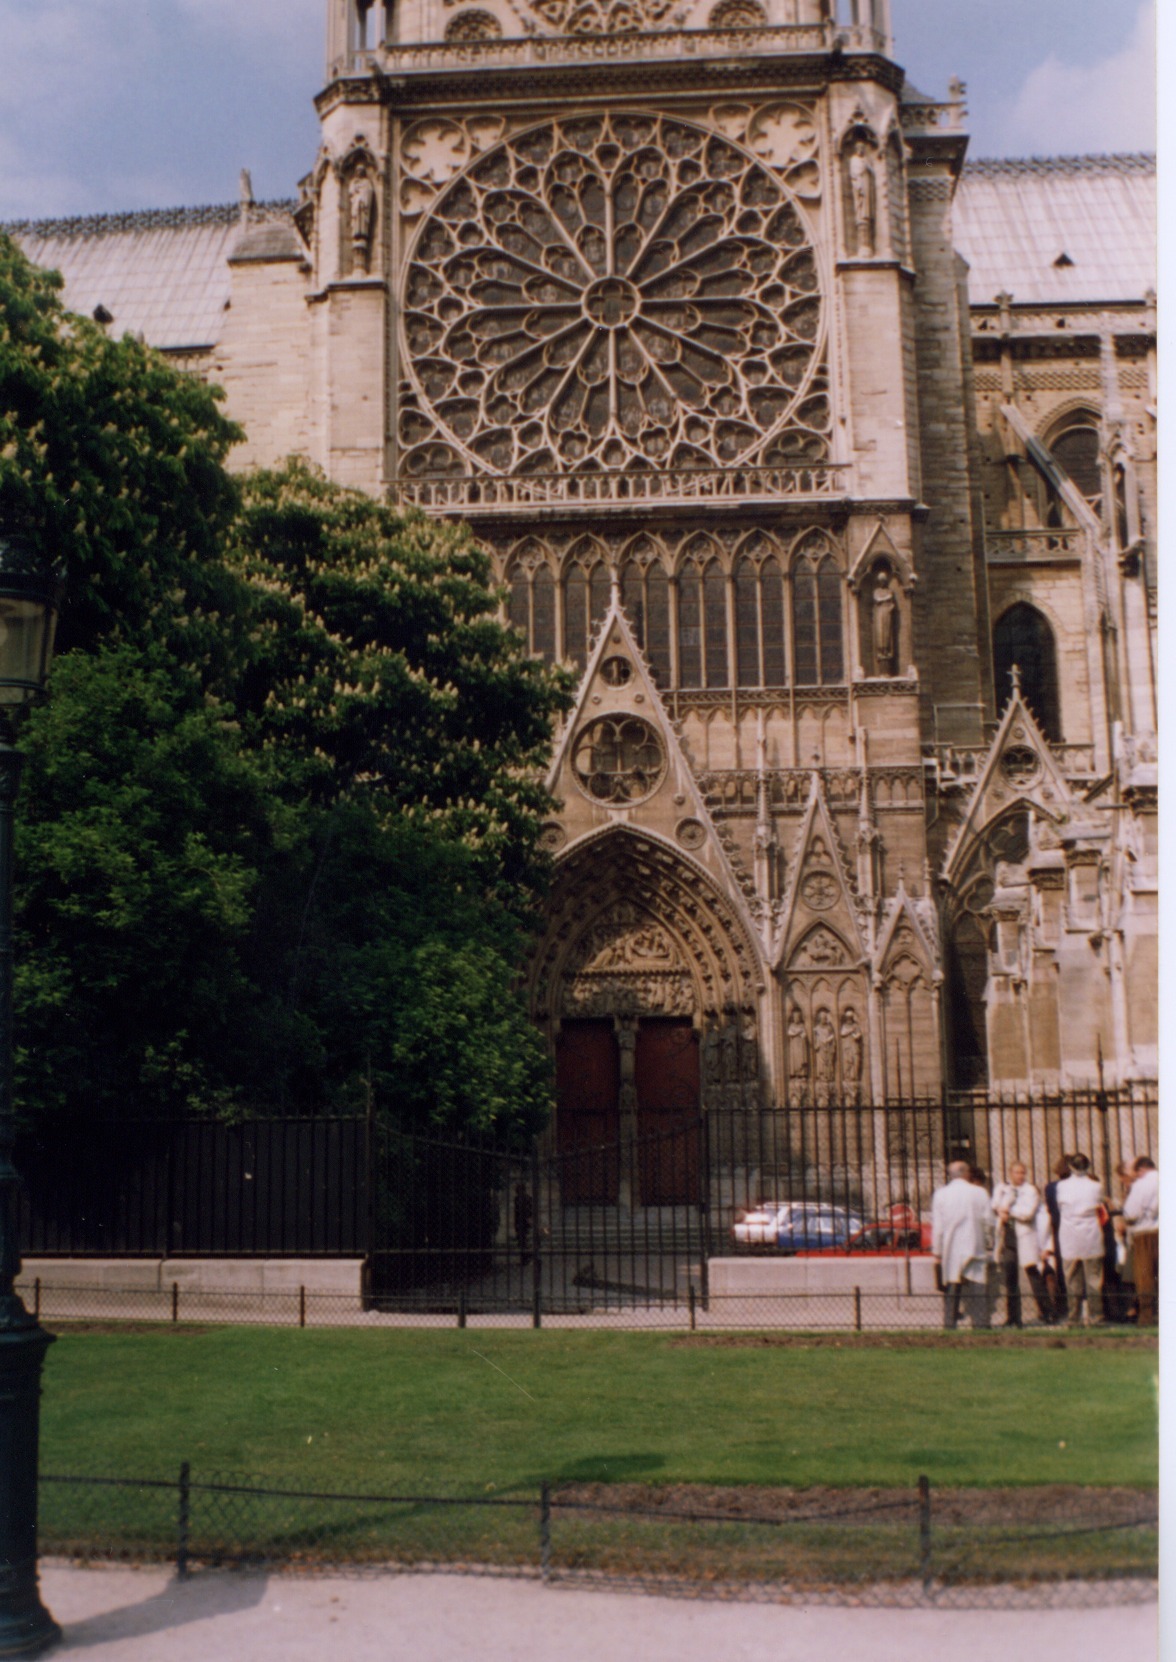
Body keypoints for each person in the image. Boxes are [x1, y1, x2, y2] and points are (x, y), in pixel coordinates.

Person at [931, 1160, 995, 1330]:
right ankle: (981, 1325)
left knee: (952, 1288)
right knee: (979, 1287)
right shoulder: (980, 1193)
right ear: (966, 1174)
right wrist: (989, 1243)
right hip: (975, 1244)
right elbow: (989, 1221)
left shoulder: (941, 1194)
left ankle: (949, 1324)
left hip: (951, 1248)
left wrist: (937, 1251)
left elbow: (938, 1227)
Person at [991, 1161, 1051, 1326]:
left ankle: (1047, 1312)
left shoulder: (1030, 1191)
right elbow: (995, 1204)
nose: (1020, 1175)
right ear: (1010, 1173)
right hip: (1009, 1236)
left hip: (1025, 1236)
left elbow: (1027, 1214)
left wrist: (1009, 1212)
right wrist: (1003, 1210)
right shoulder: (1004, 1188)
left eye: (1022, 1172)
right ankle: (1013, 1317)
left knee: (1033, 1273)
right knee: (1011, 1278)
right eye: (1017, 1172)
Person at [1054, 1153, 1105, 1325]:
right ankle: (1096, 1316)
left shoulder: (1062, 1186)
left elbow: (1060, 1207)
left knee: (1071, 1278)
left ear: (1070, 1167)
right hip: (1091, 1233)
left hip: (1070, 1234)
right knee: (1094, 1278)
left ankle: (1074, 1316)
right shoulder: (1096, 1186)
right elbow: (1098, 1205)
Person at [1121, 1155, 1158, 1326]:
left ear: (1141, 1170)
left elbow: (1131, 1213)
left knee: (1145, 1276)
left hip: (1145, 1233)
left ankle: (1146, 1316)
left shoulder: (1141, 1185)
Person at [1044, 1155, 1070, 1321]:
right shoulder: (1075, 1186)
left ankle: (1062, 1308)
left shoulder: (1051, 1187)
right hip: (1073, 1228)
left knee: (1061, 1269)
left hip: (1058, 1229)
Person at [513, 1182, 534, 1265]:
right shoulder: (527, 1198)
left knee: (522, 1241)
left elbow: (522, 1211)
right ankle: (526, 1258)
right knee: (523, 1241)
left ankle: (526, 1257)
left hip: (521, 1222)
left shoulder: (519, 1199)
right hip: (523, 1222)